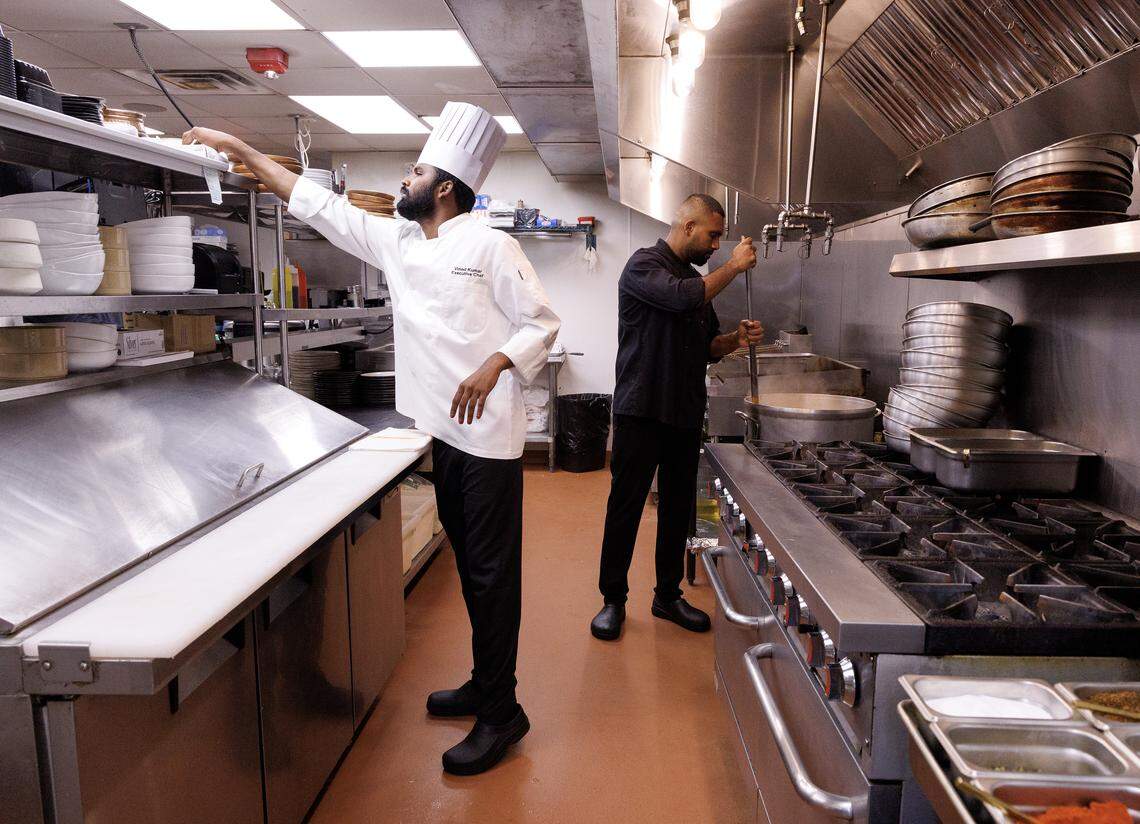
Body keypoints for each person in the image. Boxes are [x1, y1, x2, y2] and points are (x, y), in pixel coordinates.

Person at [184, 102, 560, 776]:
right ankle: (485, 684)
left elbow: (541, 322)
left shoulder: (492, 245)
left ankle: (503, 713)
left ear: (446, 186)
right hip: (442, 433)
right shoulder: (400, 242)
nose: (402, 183)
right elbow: (314, 203)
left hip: (490, 443)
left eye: (415, 171)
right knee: (474, 573)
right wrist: (238, 143)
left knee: (492, 578)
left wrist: (494, 363)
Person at [590, 194, 761, 641]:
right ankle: (613, 600)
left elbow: (706, 346)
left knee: (679, 507)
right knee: (625, 506)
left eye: (720, 238)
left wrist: (733, 340)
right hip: (641, 409)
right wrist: (734, 268)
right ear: (687, 227)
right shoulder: (643, 266)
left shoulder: (697, 281)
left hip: (684, 412)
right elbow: (682, 299)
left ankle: (667, 595)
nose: (716, 246)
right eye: (712, 235)